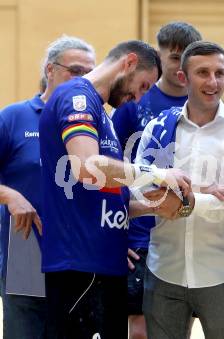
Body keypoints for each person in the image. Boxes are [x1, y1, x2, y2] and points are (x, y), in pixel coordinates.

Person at [38, 40, 191, 339]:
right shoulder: (76, 96)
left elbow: (106, 194)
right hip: (80, 267)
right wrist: (155, 174)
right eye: (143, 86)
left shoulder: (104, 114)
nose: (138, 97)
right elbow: (86, 168)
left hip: (105, 267)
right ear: (129, 62)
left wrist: (152, 206)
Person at [136, 41, 224, 338]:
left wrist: (186, 200)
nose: (213, 81)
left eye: (220, 73)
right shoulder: (158, 128)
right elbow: (140, 191)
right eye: (203, 72)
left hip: (222, 276)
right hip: (164, 271)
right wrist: (209, 191)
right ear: (183, 78)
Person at [0, 35, 96, 339]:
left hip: (80, 261)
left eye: (89, 74)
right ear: (49, 70)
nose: (83, 80)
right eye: (76, 71)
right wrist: (10, 194)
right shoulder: (14, 117)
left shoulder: (93, 121)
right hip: (26, 257)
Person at [111, 21, 201, 339]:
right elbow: (108, 169)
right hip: (139, 239)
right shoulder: (133, 102)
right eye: (173, 58)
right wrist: (114, 234)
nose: (180, 66)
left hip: (184, 236)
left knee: (178, 330)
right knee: (139, 331)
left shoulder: (203, 107)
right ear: (159, 57)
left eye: (187, 58)